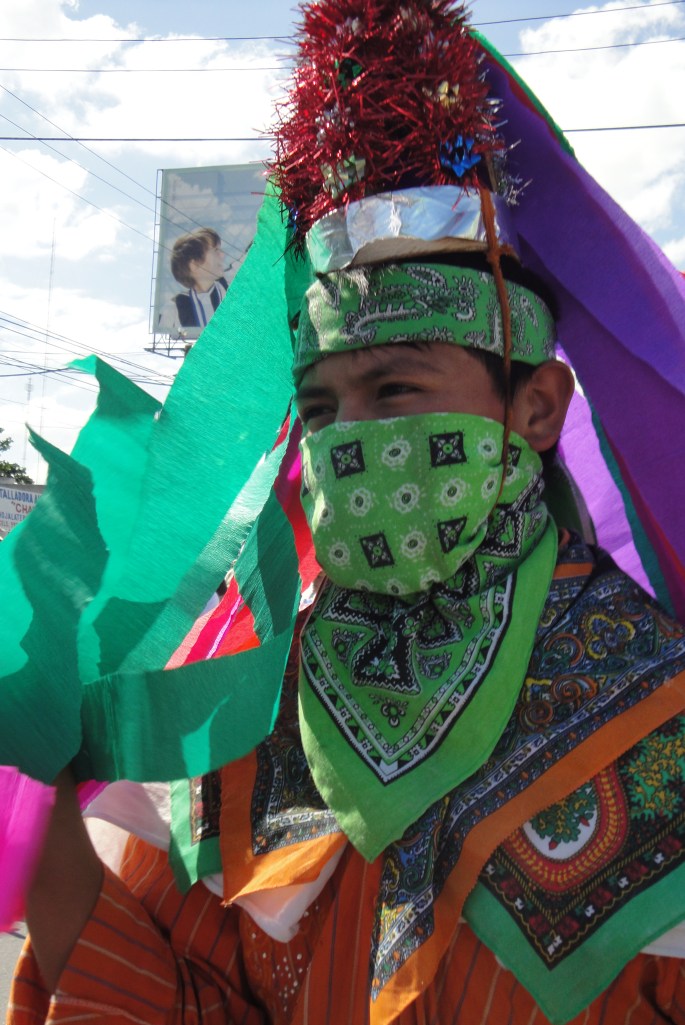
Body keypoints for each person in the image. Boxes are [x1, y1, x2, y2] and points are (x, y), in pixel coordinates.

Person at [6, 2, 685, 1023]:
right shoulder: (245, 697)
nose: (345, 442)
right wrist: (34, 768)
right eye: (319, 408)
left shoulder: (652, 706)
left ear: (535, 407)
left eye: (397, 392)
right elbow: (157, 982)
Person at [167, 227, 228, 330]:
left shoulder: (231, 287)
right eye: (216, 250)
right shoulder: (175, 308)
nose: (222, 255)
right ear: (194, 265)